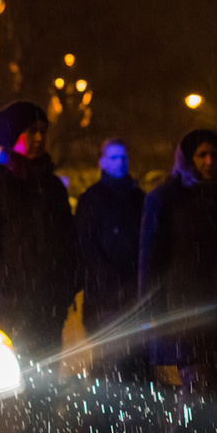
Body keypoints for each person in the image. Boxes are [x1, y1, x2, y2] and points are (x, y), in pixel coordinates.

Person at [0, 100, 79, 357]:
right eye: (31, 131)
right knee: (13, 386)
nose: (39, 138)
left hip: (48, 310)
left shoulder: (53, 187)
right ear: (12, 137)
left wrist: (64, 287)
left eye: (43, 131)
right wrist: (11, 284)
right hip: (9, 312)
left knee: (45, 385)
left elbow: (68, 242)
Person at [138, 129, 217, 393]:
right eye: (201, 155)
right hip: (185, 310)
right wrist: (152, 312)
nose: (209, 161)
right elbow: (150, 259)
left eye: (215, 155)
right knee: (199, 391)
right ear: (187, 159)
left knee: (214, 393)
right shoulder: (166, 198)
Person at [75, 138, 146, 377]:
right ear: (103, 162)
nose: (122, 162)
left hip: (134, 295)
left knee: (134, 361)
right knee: (111, 362)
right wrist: (110, 280)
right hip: (105, 298)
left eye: (124, 157)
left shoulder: (138, 197)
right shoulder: (91, 200)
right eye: (115, 157)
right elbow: (86, 246)